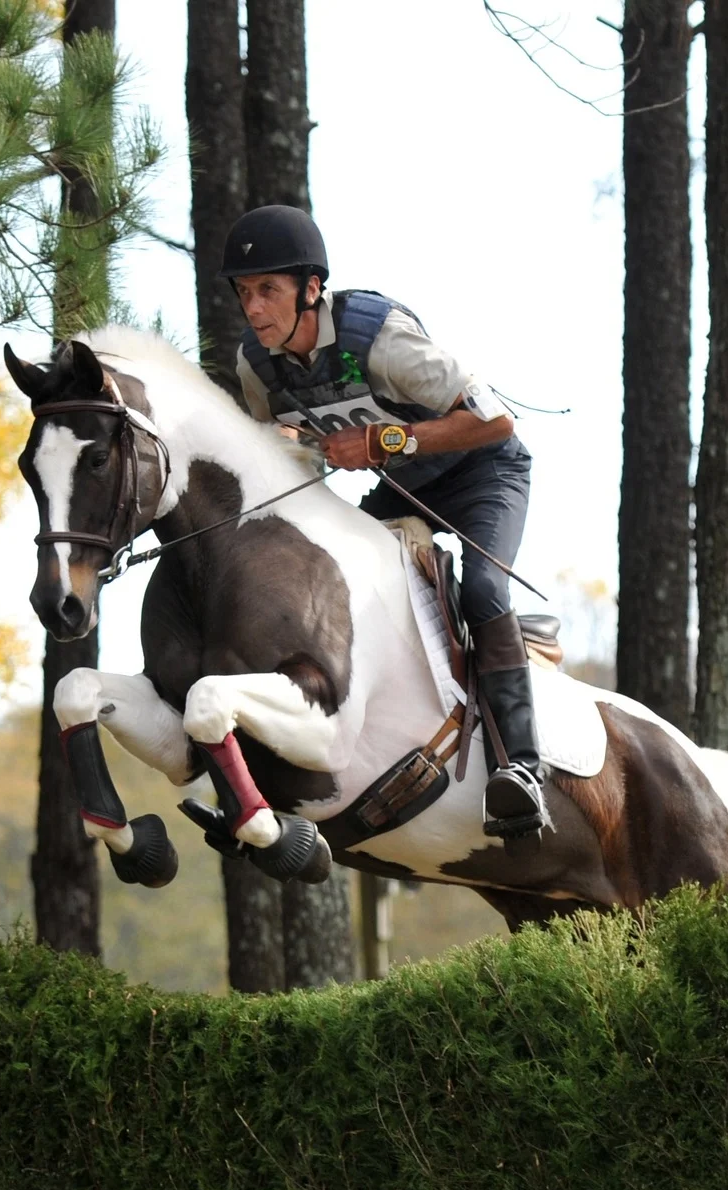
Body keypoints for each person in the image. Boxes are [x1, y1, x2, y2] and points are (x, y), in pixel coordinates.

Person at [220, 204, 548, 840]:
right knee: (329, 591)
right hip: (404, 489)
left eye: (268, 291)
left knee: (483, 590)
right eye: (244, 293)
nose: (254, 308)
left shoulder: (381, 337)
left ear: (312, 289)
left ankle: (523, 771)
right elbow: (272, 439)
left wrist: (382, 444)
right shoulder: (255, 365)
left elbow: (497, 420)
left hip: (484, 474)